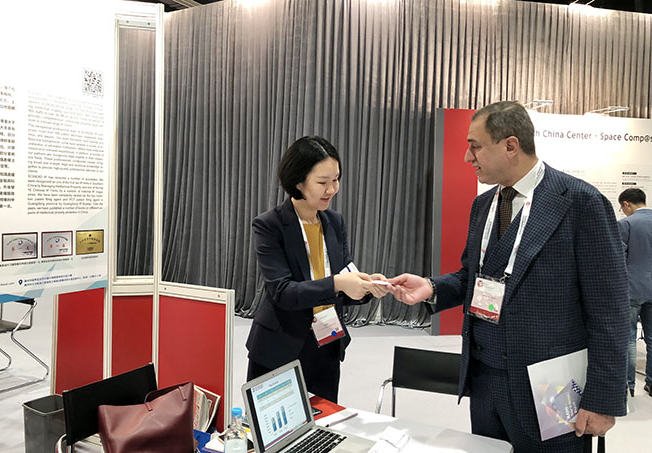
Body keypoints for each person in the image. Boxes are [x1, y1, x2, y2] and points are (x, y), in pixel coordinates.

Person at [388, 101, 628, 452]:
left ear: (510, 145)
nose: (468, 157)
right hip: (485, 380)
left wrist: (603, 400)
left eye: (475, 146)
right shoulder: (483, 205)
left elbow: (610, 310)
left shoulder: (580, 203)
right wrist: (431, 287)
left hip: (552, 384)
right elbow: (473, 277)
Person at [246, 136, 388, 403]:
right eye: (322, 182)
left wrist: (365, 286)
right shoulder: (269, 225)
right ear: (298, 181)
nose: (331, 189)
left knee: (325, 422)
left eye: (336, 179)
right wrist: (338, 283)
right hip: (280, 347)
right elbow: (283, 292)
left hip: (327, 343)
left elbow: (343, 279)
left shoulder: (334, 222)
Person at [618, 188, 652, 398]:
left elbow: (618, 259)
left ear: (627, 203)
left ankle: (628, 386)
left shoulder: (626, 224)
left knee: (629, 339)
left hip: (631, 289)